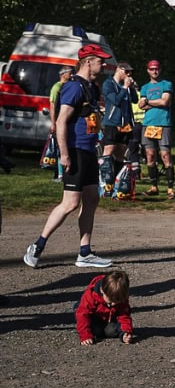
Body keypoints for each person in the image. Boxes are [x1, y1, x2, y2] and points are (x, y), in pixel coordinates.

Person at [24, 44, 114, 269]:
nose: (103, 65)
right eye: (100, 61)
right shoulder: (73, 87)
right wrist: (64, 155)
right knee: (70, 203)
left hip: (88, 150)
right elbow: (62, 121)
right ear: (87, 62)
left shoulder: (91, 87)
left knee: (92, 198)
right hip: (74, 150)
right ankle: (37, 246)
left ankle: (85, 252)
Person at [140, 60, 175, 199]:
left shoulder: (166, 84)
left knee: (165, 155)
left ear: (160, 70)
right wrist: (155, 102)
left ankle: (170, 188)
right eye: (152, 69)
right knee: (150, 155)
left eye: (157, 69)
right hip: (148, 123)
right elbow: (141, 105)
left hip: (163, 123)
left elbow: (165, 101)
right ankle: (154, 186)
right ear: (148, 70)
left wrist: (149, 102)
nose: (155, 71)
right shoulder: (144, 87)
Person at [100, 61, 138, 176]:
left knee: (121, 152)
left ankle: (117, 180)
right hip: (112, 122)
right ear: (118, 70)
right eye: (126, 72)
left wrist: (130, 88)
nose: (128, 75)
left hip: (125, 124)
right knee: (109, 151)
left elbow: (135, 100)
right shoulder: (108, 84)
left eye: (130, 72)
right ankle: (104, 180)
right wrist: (125, 87)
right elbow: (115, 100)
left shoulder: (125, 86)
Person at [76, 270, 134, 345]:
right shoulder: (91, 295)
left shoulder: (120, 296)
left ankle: (111, 331)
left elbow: (124, 315)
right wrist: (85, 335)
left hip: (108, 318)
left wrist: (126, 332)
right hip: (93, 317)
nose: (113, 304)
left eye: (117, 302)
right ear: (102, 290)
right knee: (96, 329)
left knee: (111, 331)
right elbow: (83, 314)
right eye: (110, 301)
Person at [48, 65, 74, 181]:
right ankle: (59, 174)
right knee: (59, 148)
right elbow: (52, 107)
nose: (72, 74)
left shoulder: (67, 86)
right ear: (63, 74)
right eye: (70, 72)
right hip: (59, 121)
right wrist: (53, 123)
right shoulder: (56, 87)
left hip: (67, 122)